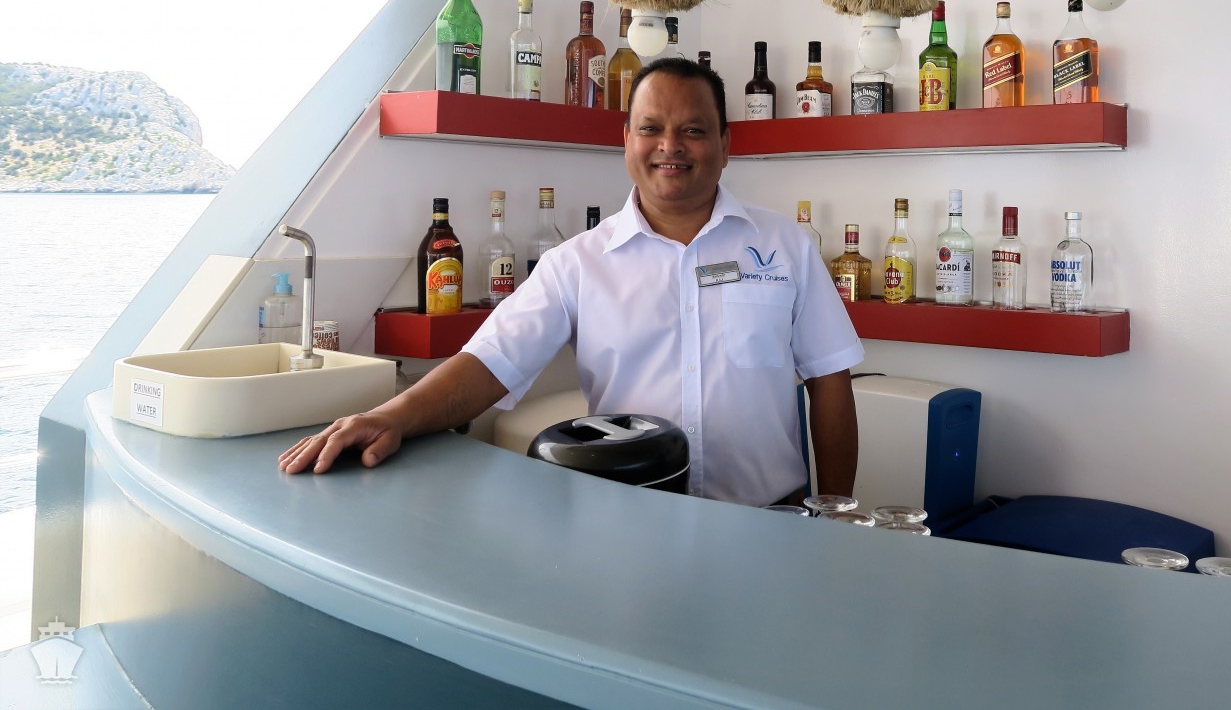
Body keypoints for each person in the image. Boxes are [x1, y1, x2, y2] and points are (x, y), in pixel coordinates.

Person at [280, 57, 862, 507]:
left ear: (726, 144)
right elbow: (489, 363)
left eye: (694, 129)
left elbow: (830, 383)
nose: (671, 146)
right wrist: (392, 416)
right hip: (626, 521)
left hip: (768, 521)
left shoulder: (786, 247)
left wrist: (836, 515)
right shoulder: (577, 263)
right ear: (626, 140)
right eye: (651, 128)